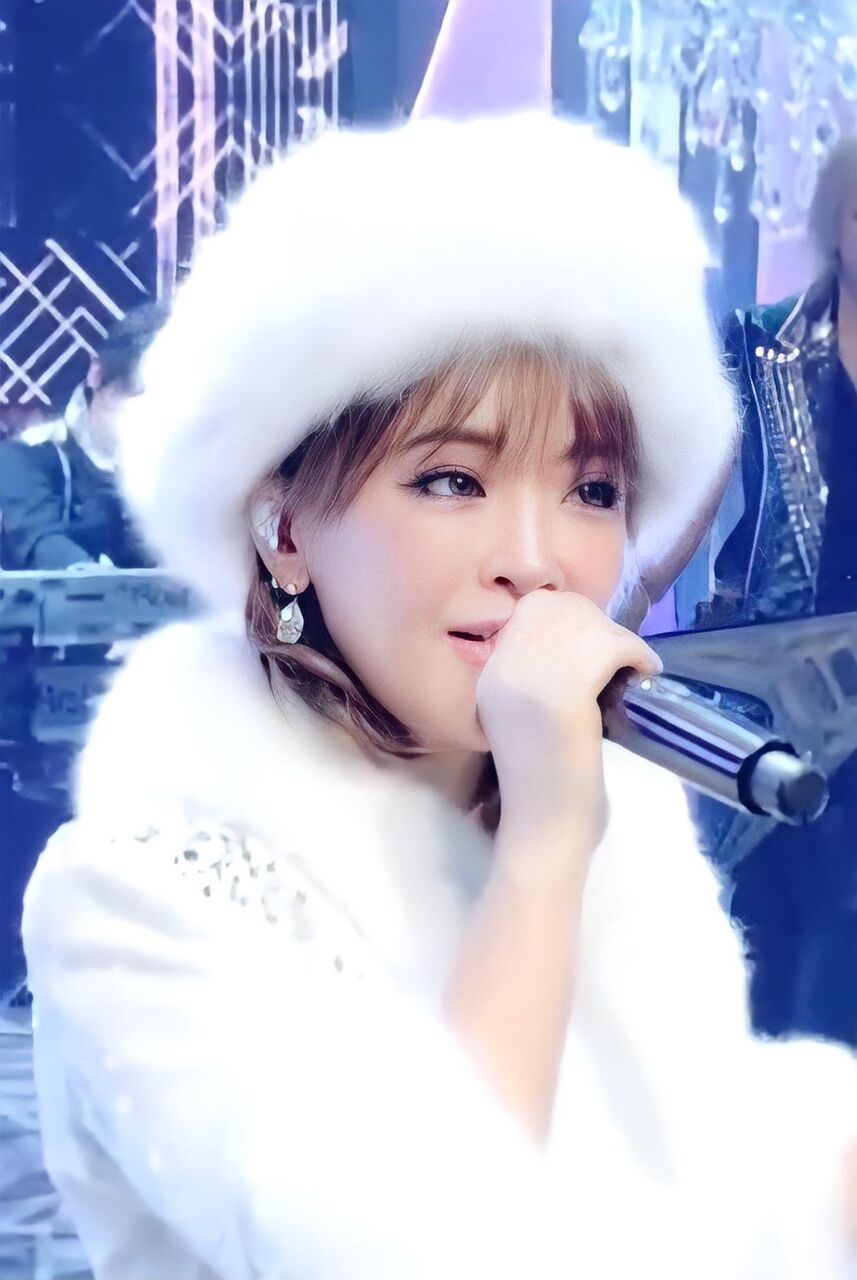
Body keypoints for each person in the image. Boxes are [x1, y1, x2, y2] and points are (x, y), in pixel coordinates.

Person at [21, 116, 857, 1279]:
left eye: (592, 489)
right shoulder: (131, 892)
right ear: (282, 525)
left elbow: (690, 1153)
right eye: (453, 479)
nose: (538, 560)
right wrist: (544, 852)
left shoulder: (611, 808)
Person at [690, 137, 857, 1048]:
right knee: (767, 939)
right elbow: (691, 493)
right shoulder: (761, 344)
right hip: (780, 680)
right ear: (835, 222)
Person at [0, 303, 167, 570]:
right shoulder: (28, 454)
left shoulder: (180, 469)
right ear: (97, 374)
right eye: (139, 398)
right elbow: (43, 541)